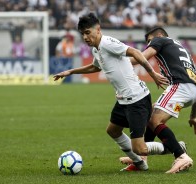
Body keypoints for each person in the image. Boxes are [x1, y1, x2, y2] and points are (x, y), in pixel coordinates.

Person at [53, 13, 169, 172]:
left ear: (98, 29)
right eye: (83, 34)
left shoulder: (107, 43)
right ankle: (140, 164)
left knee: (140, 148)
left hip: (137, 99)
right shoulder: (96, 48)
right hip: (123, 100)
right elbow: (95, 66)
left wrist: (153, 74)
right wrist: (71, 72)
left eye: (88, 32)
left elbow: (135, 52)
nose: (85, 37)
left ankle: (173, 148)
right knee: (113, 131)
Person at [122, 27, 196, 174]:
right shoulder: (179, 48)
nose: (149, 45)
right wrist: (193, 116)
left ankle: (180, 155)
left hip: (179, 88)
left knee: (154, 120)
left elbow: (142, 57)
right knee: (151, 112)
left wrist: (118, 61)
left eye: (149, 41)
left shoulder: (160, 39)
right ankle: (141, 158)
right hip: (191, 94)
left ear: (158, 36)